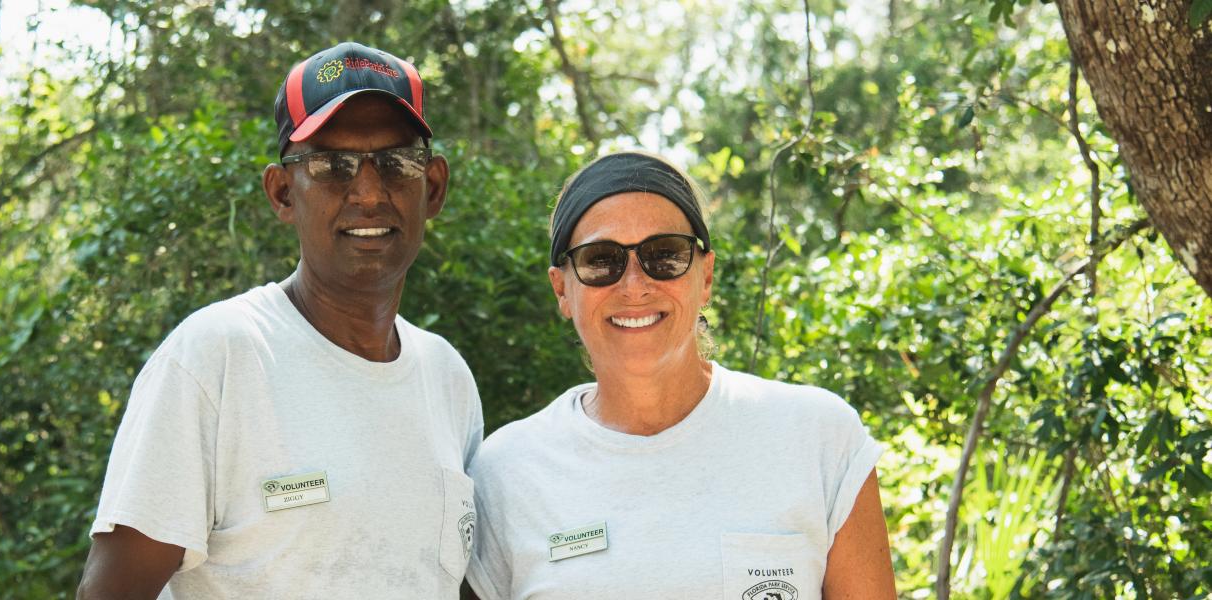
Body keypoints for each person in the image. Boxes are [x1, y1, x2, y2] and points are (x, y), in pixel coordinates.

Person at [77, 42, 483, 599]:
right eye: (331, 166)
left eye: (396, 163)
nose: (368, 192)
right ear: (282, 193)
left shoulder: (448, 378)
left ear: (432, 186)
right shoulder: (217, 357)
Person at [464, 152, 894, 600]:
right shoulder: (506, 472)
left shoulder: (819, 438)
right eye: (600, 260)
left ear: (705, 276)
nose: (634, 285)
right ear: (562, 290)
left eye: (664, 255)